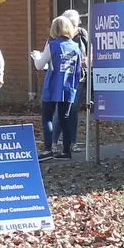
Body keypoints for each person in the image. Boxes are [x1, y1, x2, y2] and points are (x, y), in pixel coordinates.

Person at [31, 16, 82, 160]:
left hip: (52, 85)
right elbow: (78, 70)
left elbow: (39, 65)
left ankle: (48, 149)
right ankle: (66, 150)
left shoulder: (52, 45)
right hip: (68, 86)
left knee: (47, 117)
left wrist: (36, 56)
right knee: (64, 118)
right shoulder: (75, 47)